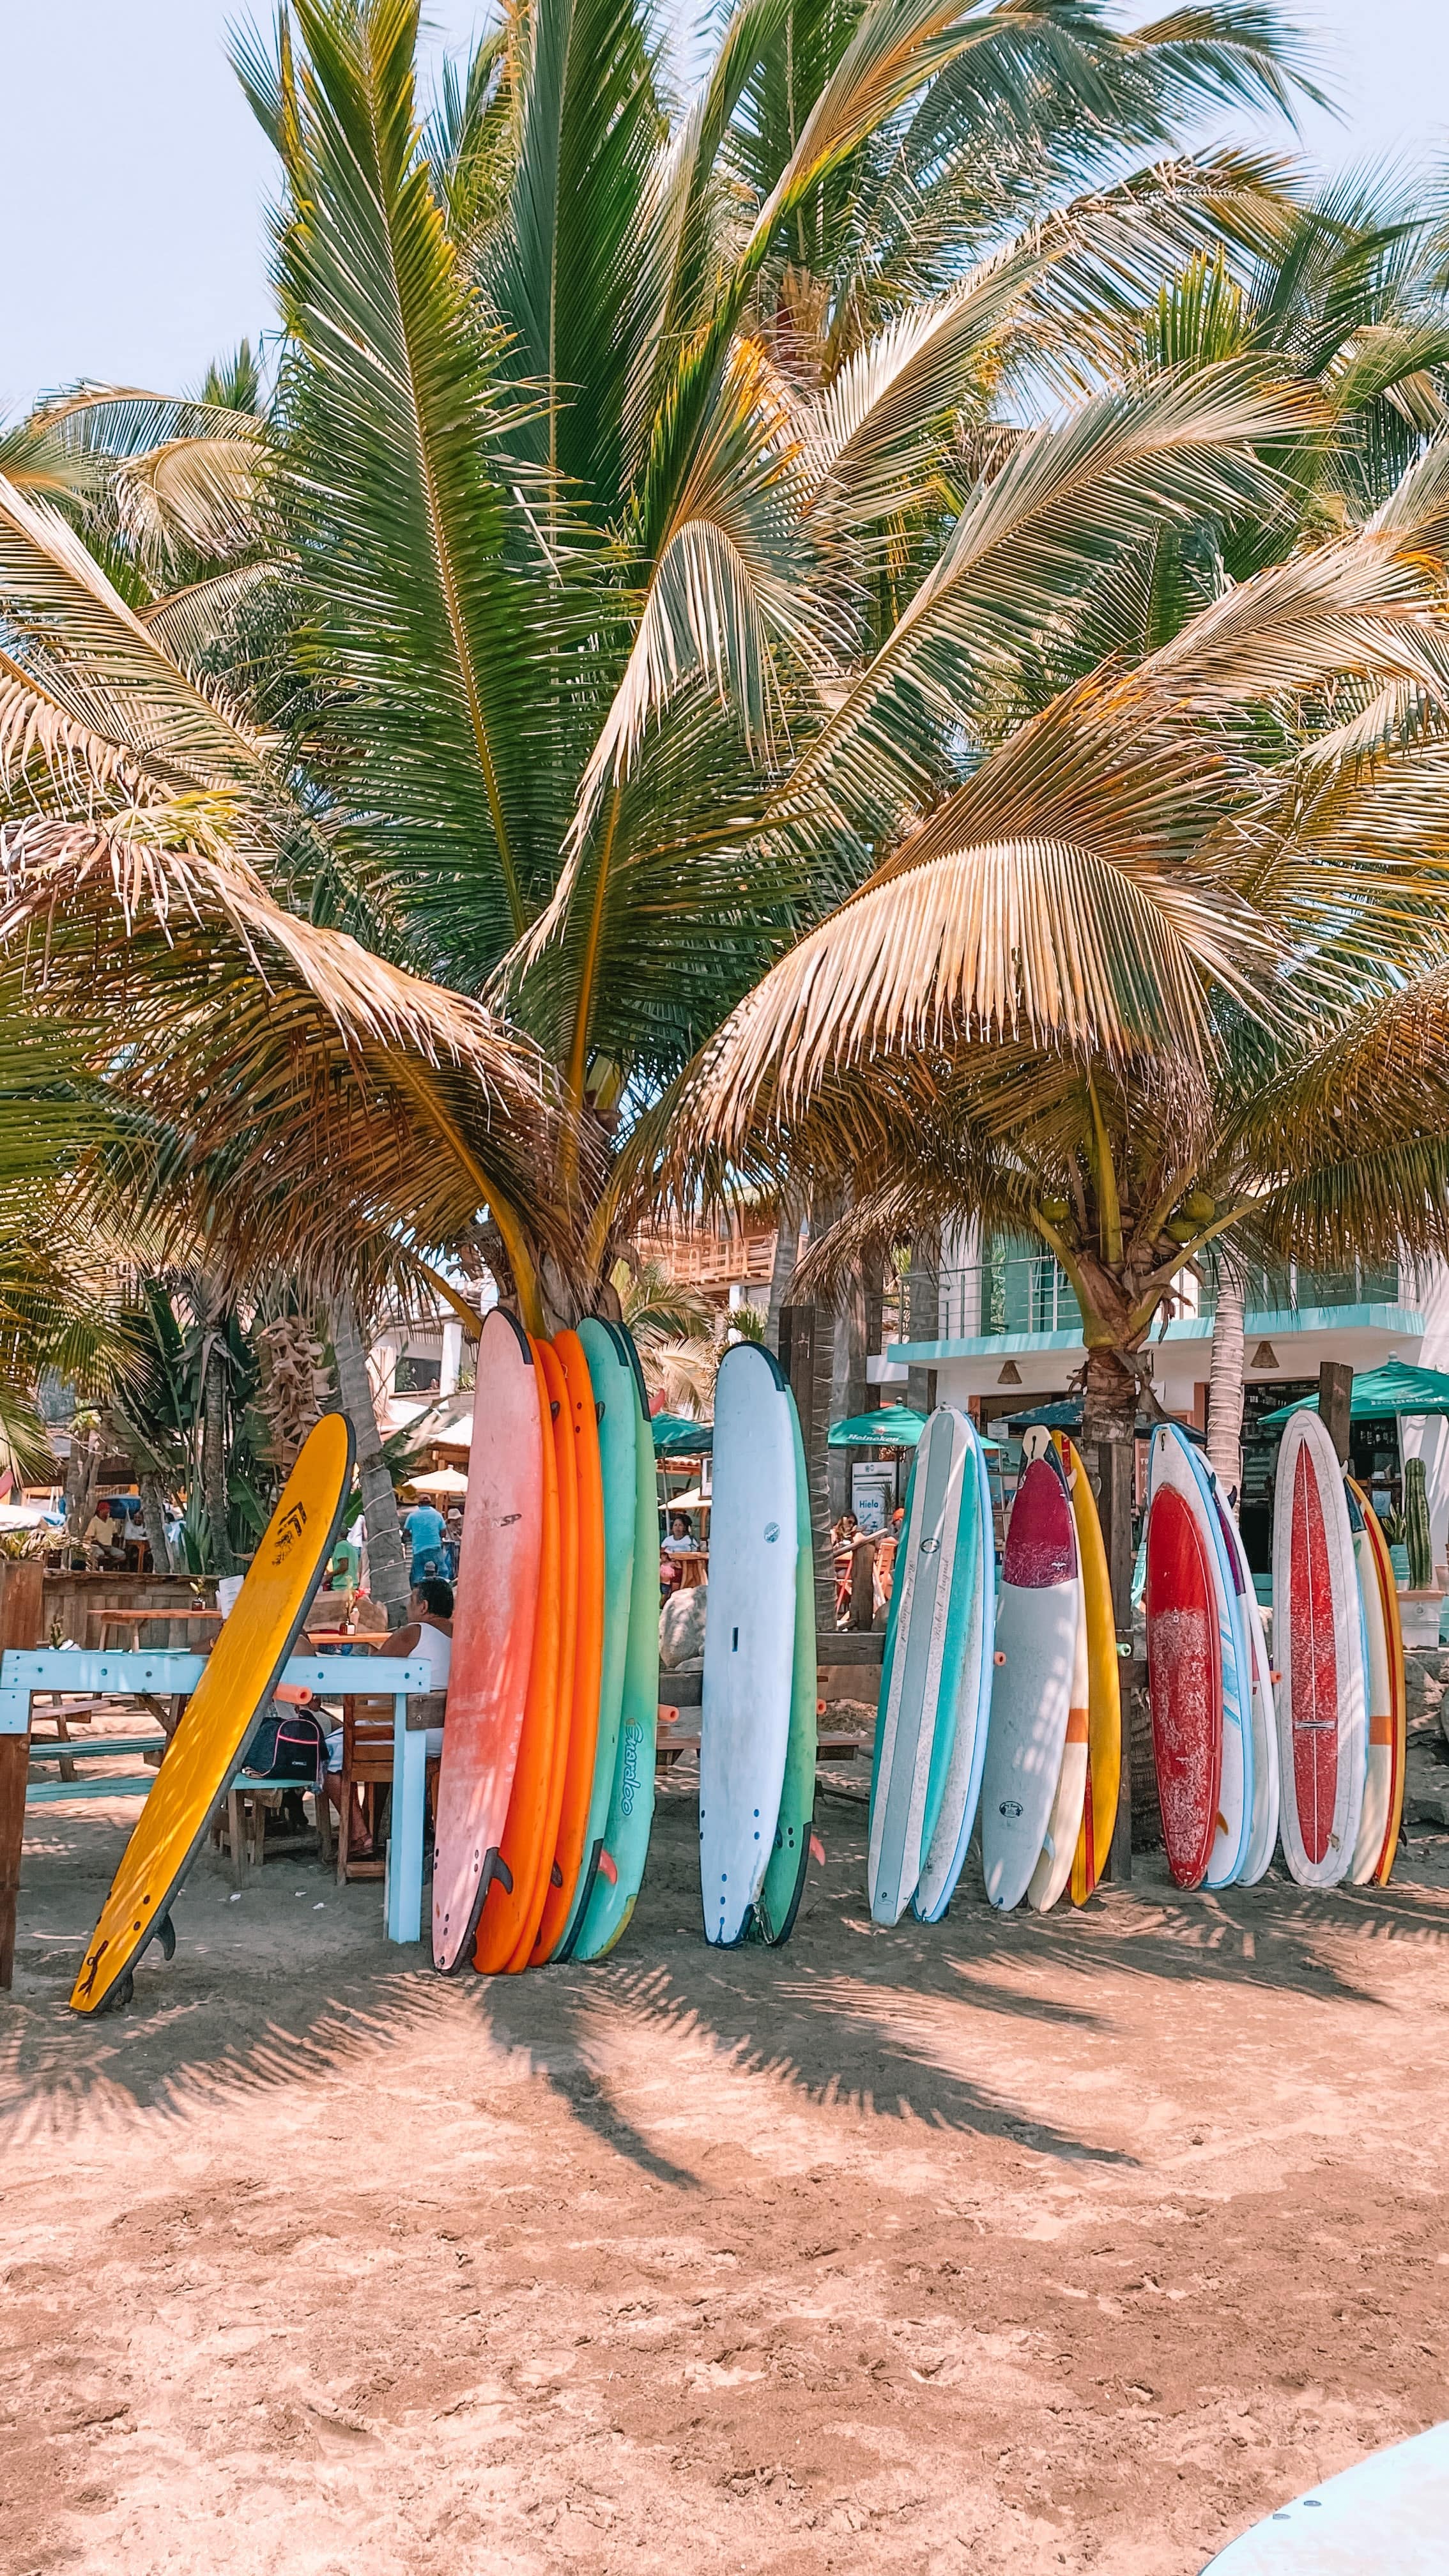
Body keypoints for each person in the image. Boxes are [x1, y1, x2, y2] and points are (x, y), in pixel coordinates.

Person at [325, 1577, 453, 1855]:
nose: (408, 1608)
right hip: (447, 1738)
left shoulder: (414, 1632)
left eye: (410, 1602)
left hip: (407, 1736)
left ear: (424, 1606)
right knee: (376, 1737)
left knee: (326, 1755)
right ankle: (371, 1828)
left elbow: (371, 1676)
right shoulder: (463, 1635)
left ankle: (359, 1836)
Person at [403, 1496, 447, 1584]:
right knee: (443, 1571)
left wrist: (414, 1533)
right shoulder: (437, 1515)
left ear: (419, 1504)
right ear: (430, 1503)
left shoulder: (412, 1516)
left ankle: (418, 1592)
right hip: (435, 1547)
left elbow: (406, 1533)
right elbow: (443, 1533)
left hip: (419, 1550)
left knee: (418, 1576)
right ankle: (444, 1586)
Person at [82, 1498, 126, 1567]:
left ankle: (109, 1567)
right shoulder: (94, 1521)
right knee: (101, 1555)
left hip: (109, 1547)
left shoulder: (110, 1520)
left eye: (108, 1509)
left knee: (122, 1555)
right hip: (98, 1546)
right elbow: (92, 1539)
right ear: (101, 1511)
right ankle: (101, 1568)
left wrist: (113, 1546)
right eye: (106, 1509)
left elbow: (115, 1534)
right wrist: (103, 1547)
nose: (108, 1511)